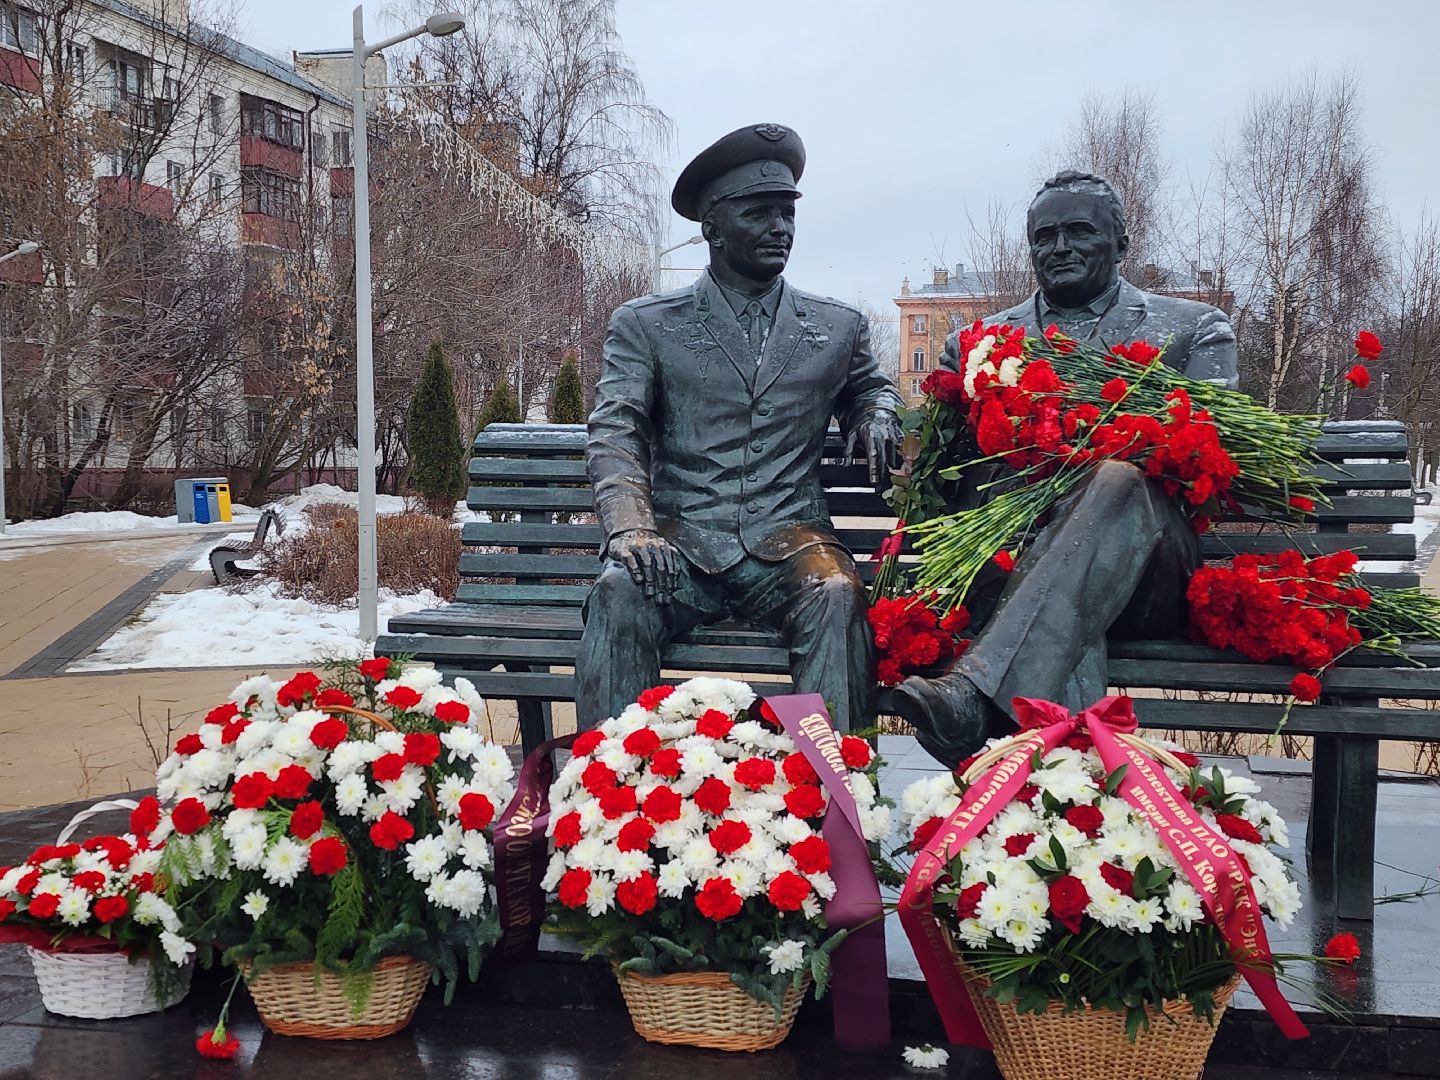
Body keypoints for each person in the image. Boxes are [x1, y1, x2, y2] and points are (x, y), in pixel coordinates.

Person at [890, 171, 1240, 767]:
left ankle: (974, 705)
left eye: (1080, 232)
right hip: (1014, 570)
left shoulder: (1192, 329)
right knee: (1058, 601)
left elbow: (1209, 458)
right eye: (1045, 236)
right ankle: (1065, 818)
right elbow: (948, 479)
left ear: (1121, 243)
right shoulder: (978, 341)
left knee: (1120, 479)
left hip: (1148, 577)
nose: (1060, 248)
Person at [576, 123, 903, 733]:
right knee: (620, 595)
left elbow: (870, 387)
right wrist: (632, 530)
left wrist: (878, 412)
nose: (781, 228)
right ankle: (605, 804)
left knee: (837, 596)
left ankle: (839, 804)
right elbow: (616, 428)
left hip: (791, 544)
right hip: (680, 544)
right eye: (761, 214)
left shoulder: (838, 326)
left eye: (787, 214)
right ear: (713, 228)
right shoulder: (648, 324)